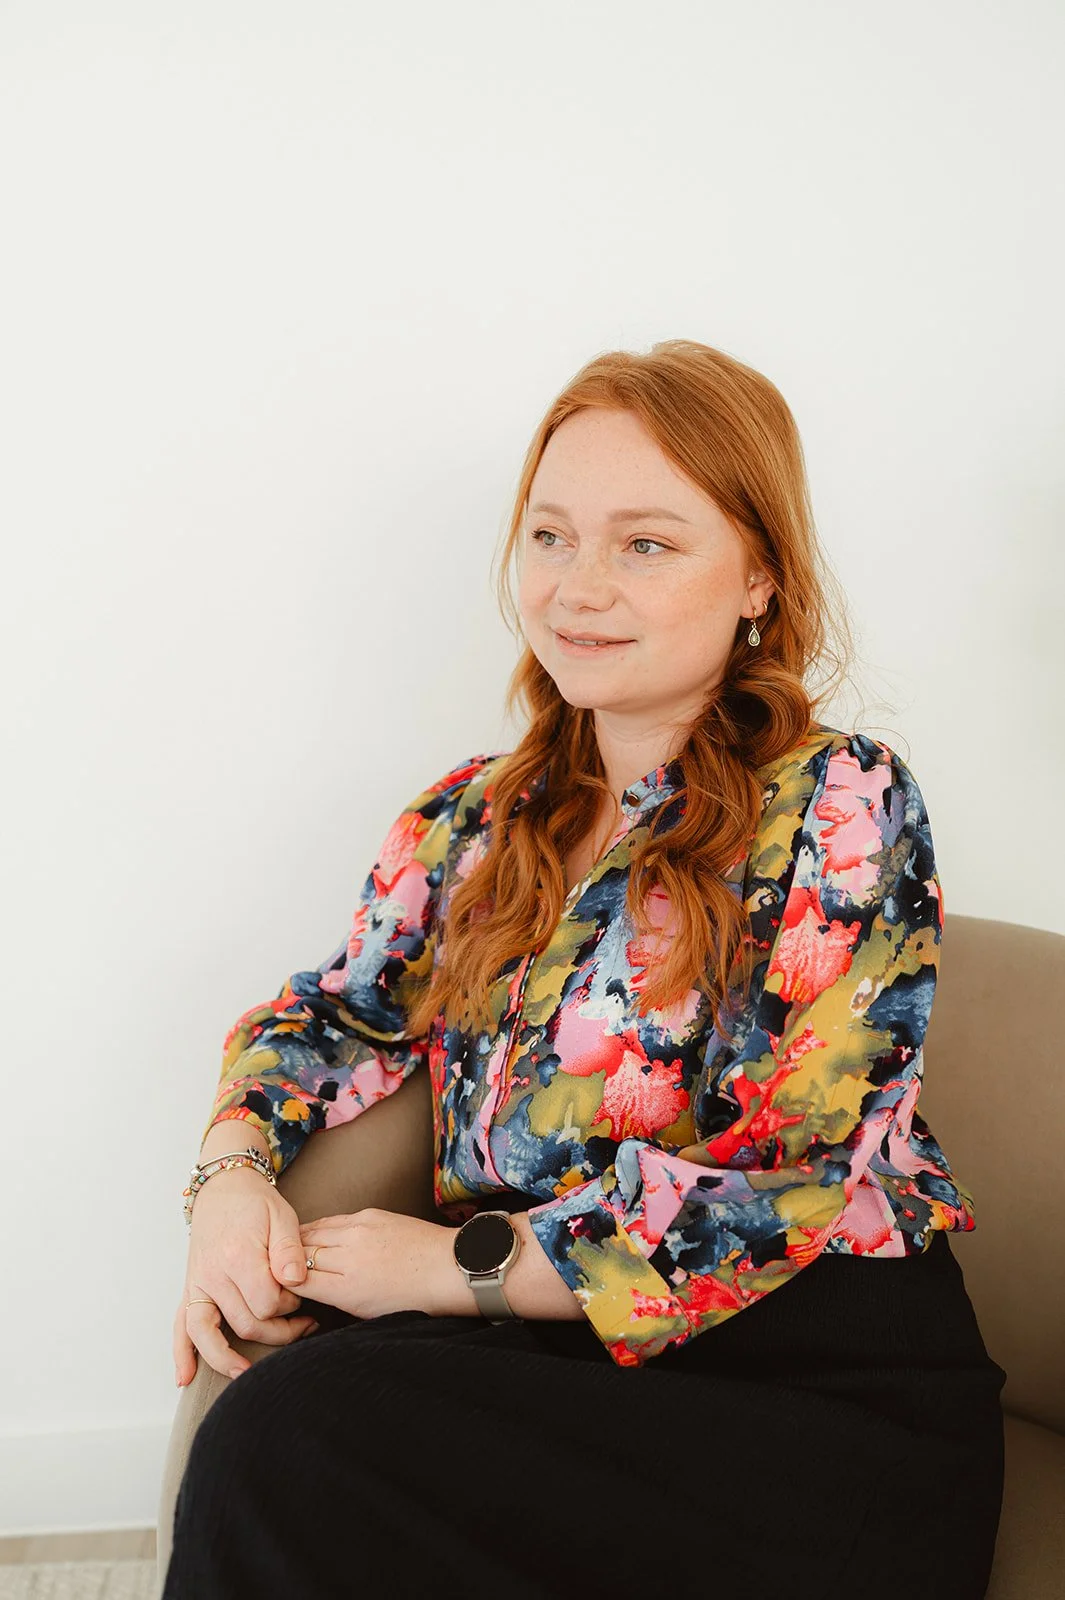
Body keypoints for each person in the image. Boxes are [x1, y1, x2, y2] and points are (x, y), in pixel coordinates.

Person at [162, 340, 1006, 1600]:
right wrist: (230, 1181)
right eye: (550, 535)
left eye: (645, 544)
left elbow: (798, 1176)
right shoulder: (471, 821)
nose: (578, 587)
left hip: (810, 1388)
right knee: (290, 1427)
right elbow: (327, 1020)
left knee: (293, 1436)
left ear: (759, 577)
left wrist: (455, 1266)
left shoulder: (841, 801)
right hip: (539, 1371)